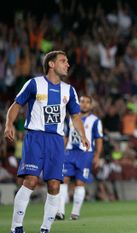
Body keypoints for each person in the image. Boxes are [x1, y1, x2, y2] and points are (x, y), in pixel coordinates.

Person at [4, 50, 90, 233]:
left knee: (54, 185)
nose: (67, 64)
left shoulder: (69, 90)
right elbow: (16, 105)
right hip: (35, 137)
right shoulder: (34, 84)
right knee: (31, 181)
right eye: (63, 61)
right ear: (51, 64)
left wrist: (83, 135)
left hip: (57, 142)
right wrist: (8, 124)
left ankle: (45, 229)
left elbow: (75, 117)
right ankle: (16, 227)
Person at [55, 95, 103, 220]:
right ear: (79, 103)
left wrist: (97, 156)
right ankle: (60, 211)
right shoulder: (70, 118)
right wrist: (61, 151)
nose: (85, 104)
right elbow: (65, 136)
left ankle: (75, 212)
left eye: (88, 102)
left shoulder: (95, 121)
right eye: (82, 101)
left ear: (91, 105)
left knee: (80, 182)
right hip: (69, 152)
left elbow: (99, 139)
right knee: (63, 180)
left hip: (85, 154)